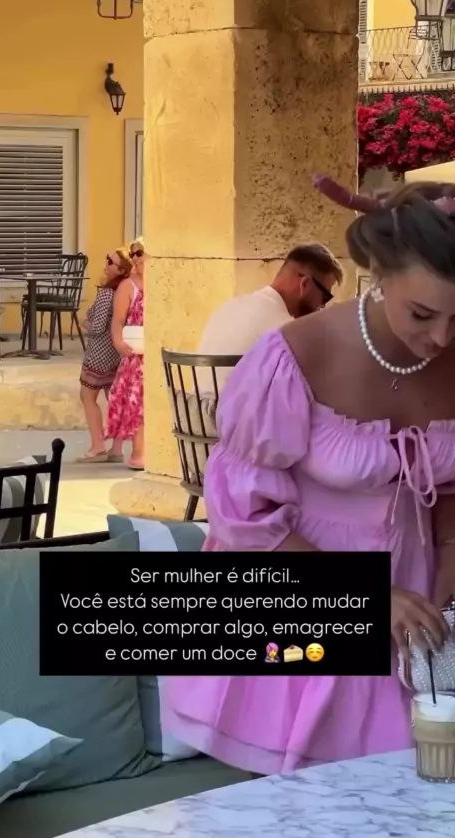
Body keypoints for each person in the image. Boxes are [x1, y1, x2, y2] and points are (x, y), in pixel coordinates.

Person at [162, 179, 455, 775]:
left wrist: (445, 600)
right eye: (422, 314)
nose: (442, 338)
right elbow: (244, 516)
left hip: (420, 595)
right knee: (300, 796)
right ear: (379, 274)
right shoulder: (295, 356)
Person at [196, 243, 342, 390]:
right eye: (325, 297)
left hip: (197, 403)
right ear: (305, 284)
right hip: (242, 405)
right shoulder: (283, 328)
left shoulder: (229, 306)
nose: (322, 306)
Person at [77, 249, 133, 463]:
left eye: (110, 262)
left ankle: (97, 445)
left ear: (121, 270)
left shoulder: (106, 293)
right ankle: (117, 448)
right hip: (117, 354)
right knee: (115, 399)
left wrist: (84, 322)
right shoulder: (125, 291)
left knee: (87, 396)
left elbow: (98, 326)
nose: (106, 264)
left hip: (99, 354)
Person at [104, 242, 145, 470]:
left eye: (140, 252)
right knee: (137, 402)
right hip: (136, 354)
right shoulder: (128, 286)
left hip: (156, 353)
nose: (135, 257)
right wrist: (118, 342)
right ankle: (139, 453)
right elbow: (117, 320)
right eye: (132, 254)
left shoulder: (162, 282)